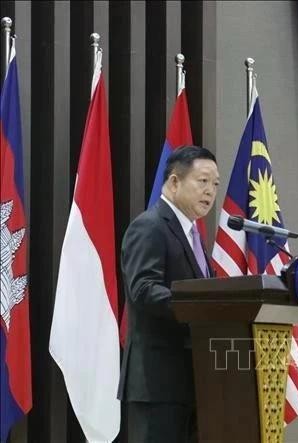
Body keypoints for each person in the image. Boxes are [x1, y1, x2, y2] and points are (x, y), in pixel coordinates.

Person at [118, 145, 219, 442]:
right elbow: (144, 289)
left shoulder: (194, 235)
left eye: (215, 184)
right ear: (174, 182)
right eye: (202, 181)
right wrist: (201, 306)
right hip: (157, 384)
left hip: (193, 382)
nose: (210, 192)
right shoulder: (149, 226)